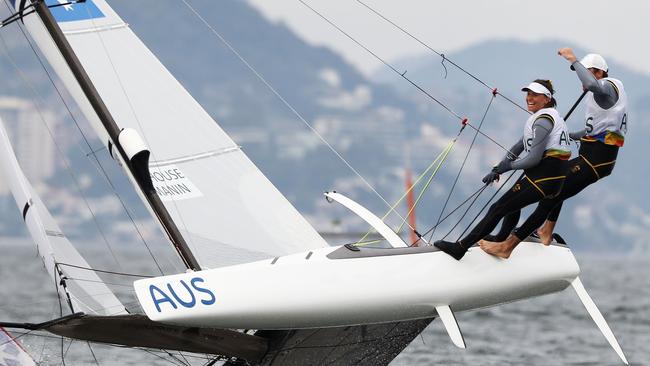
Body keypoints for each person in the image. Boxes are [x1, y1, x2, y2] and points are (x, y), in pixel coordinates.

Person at [480, 49, 627, 258]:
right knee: (555, 182)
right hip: (593, 158)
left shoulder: (605, 88)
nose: (580, 80)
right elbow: (594, 131)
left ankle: (507, 246)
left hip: (595, 161)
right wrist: (566, 135)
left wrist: (573, 60)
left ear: (598, 73)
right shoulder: (605, 95)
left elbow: (593, 85)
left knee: (550, 193)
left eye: (583, 73)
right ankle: (545, 231)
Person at [434, 79, 571, 260]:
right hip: (551, 179)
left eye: (535, 95)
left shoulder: (543, 121)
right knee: (513, 205)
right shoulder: (548, 116)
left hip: (544, 178)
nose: (529, 98)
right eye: (528, 94)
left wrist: (508, 167)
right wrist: (498, 168)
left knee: (497, 209)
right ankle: (501, 239)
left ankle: (460, 248)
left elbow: (533, 159)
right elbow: (519, 146)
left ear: (547, 99)